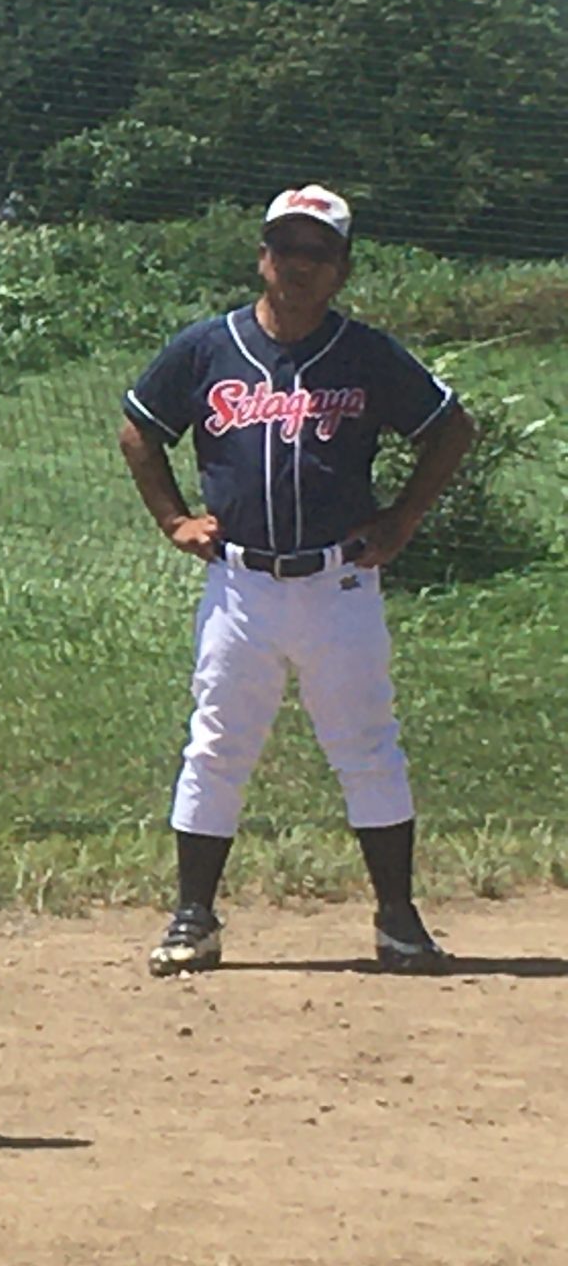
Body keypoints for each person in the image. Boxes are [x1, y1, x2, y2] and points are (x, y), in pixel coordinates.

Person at [119, 184, 477, 977]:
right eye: (286, 247)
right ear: (262, 257)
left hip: (337, 581)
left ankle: (398, 922)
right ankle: (193, 919)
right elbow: (140, 428)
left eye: (318, 252)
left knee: (368, 746)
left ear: (342, 269)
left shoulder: (365, 353)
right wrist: (173, 519)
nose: (299, 264)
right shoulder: (209, 347)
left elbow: (452, 428)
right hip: (240, 584)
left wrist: (403, 519)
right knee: (217, 745)